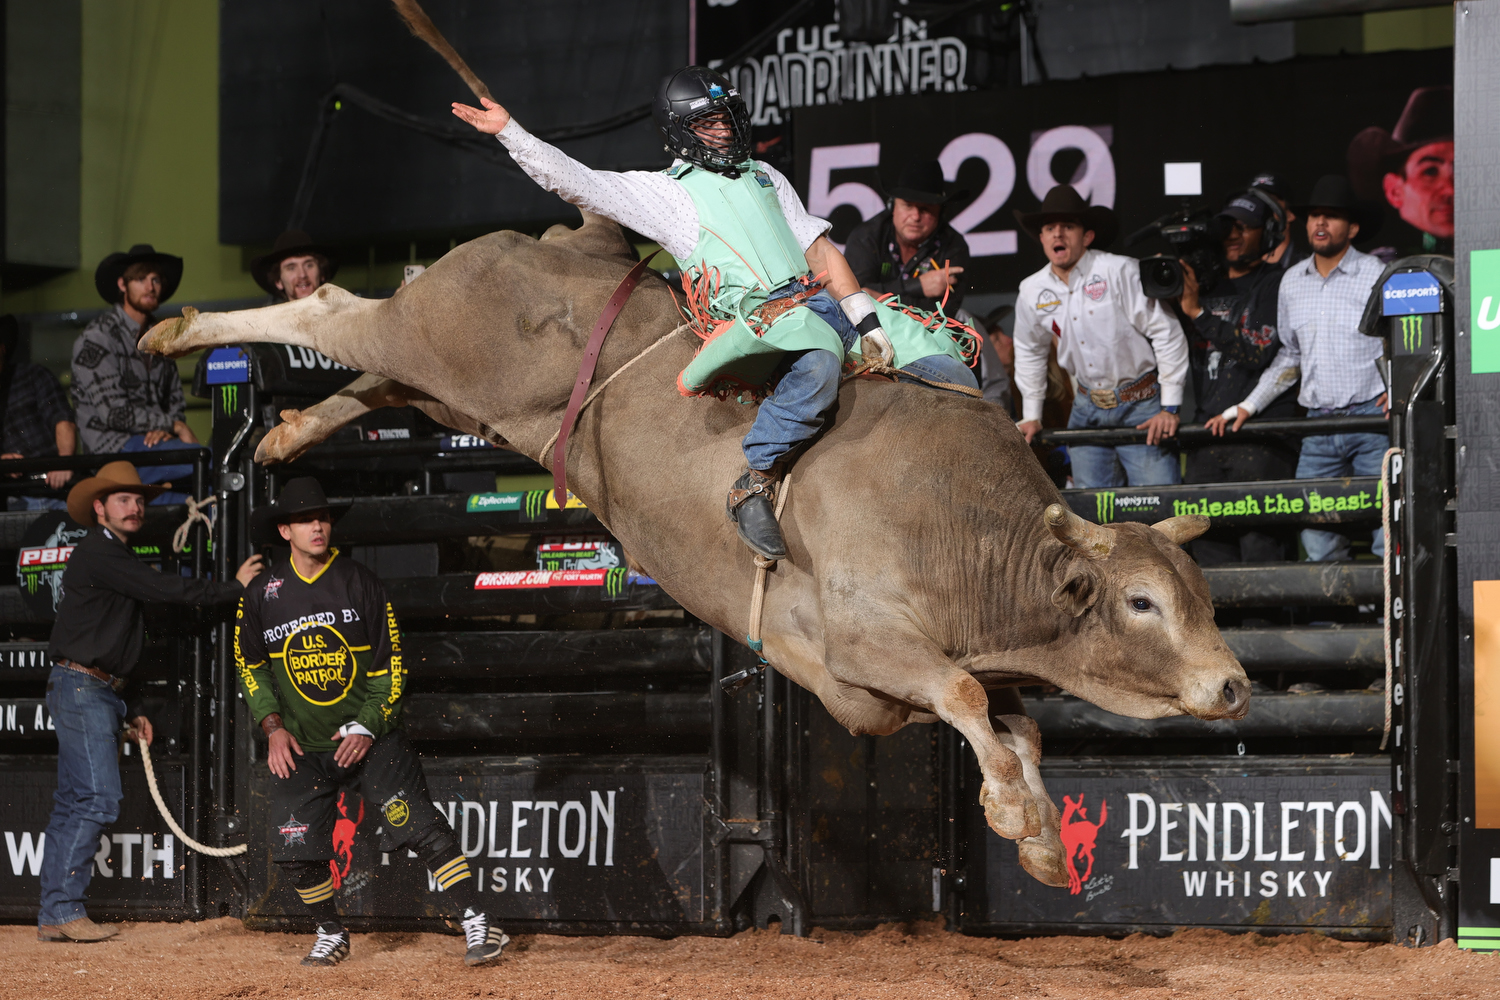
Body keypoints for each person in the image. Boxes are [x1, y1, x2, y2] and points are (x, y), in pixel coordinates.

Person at [452, 66, 978, 561]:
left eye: (726, 119)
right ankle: (752, 482)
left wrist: (866, 320)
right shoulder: (667, 194)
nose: (724, 132)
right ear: (680, 132)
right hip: (759, 321)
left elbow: (822, 255)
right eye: (708, 123)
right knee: (817, 362)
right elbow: (579, 181)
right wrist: (510, 133)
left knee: (947, 362)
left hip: (822, 305)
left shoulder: (766, 175)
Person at [234, 477, 508, 968]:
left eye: (323, 517)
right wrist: (272, 726)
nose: (318, 525)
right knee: (295, 852)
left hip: (370, 738)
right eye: (305, 519)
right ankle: (331, 932)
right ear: (284, 530)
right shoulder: (261, 594)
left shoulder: (359, 582)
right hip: (301, 745)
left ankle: (476, 920)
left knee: (419, 828)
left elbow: (391, 668)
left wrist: (365, 725)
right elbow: (249, 664)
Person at [38, 462, 261, 943]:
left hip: (89, 687)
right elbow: (167, 589)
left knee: (73, 802)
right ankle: (61, 909)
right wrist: (235, 589)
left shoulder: (108, 554)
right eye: (123, 499)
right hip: (84, 688)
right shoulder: (101, 552)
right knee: (96, 799)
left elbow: (118, 634)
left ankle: (55, 910)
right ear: (100, 508)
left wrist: (130, 705)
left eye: (138, 500)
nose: (135, 507)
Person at [1235, 176, 1387, 562]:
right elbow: (1290, 356)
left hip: (1371, 422)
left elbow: (1400, 344)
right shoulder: (1291, 281)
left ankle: (1387, 621)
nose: (1320, 224)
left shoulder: (1377, 274)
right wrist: (1248, 406)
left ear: (1351, 228)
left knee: (1388, 530)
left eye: (1332, 217)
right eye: (1315, 216)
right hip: (1317, 428)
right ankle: (1339, 619)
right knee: (1317, 536)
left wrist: (1399, 386)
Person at [1011, 185, 1189, 488]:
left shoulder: (1119, 270)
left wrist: (1169, 407)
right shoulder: (1032, 289)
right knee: (1091, 521)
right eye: (1049, 228)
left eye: (1068, 226)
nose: (1058, 235)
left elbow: (1166, 331)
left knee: (1160, 512)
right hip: (1086, 408)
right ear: (1040, 238)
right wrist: (1031, 415)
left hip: (1141, 405)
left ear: (1087, 236)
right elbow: (1029, 350)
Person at [1176, 190, 1299, 564]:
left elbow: (1257, 351)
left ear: (1269, 234)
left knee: (1262, 552)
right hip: (1206, 441)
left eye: (1245, 228)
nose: (1234, 235)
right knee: (1210, 557)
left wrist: (1198, 313)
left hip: (1261, 440)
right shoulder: (1200, 287)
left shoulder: (1279, 283)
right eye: (1228, 227)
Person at [71, 245, 198, 501]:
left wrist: (167, 428)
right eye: (141, 279)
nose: (150, 287)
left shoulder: (163, 337)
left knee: (199, 494)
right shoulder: (97, 338)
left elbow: (175, 402)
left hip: (155, 447)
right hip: (113, 449)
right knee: (204, 460)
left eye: (156, 280)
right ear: (122, 284)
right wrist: (171, 425)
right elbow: (114, 414)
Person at [843, 159, 970, 313]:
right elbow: (854, 298)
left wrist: (881, 298)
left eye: (925, 208)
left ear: (940, 212)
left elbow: (943, 314)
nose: (915, 216)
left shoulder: (954, 246)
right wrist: (918, 286)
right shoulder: (866, 237)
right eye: (908, 205)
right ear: (892, 207)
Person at [1348, 85, 1453, 249]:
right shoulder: (1384, 265)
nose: (1450, 189)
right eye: (1430, 171)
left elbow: (1490, 275)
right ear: (1394, 190)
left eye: (1463, 172)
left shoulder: (1489, 253)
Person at [0, 315, 78, 510]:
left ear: (2, 348)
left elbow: (62, 419)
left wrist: (64, 462)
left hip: (58, 487)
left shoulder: (33, 375)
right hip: (16, 495)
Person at [251, 230, 340, 303]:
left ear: (322, 274)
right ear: (278, 281)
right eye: (291, 268)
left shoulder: (343, 319)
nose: (302, 275)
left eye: (309, 265)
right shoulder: (272, 324)